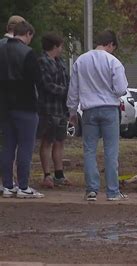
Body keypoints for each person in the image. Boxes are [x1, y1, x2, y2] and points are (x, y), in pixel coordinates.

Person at [67, 30, 128, 201]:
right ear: (111, 44)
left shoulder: (81, 61)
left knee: (89, 149)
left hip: (89, 110)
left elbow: (73, 90)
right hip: (109, 108)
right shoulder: (113, 61)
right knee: (111, 150)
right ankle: (113, 191)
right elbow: (120, 89)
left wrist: (72, 111)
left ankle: (92, 189)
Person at [0, 21, 44, 198]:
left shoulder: (1, 49)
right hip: (25, 105)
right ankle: (24, 186)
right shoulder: (27, 52)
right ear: (27, 33)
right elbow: (37, 80)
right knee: (25, 146)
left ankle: (7, 185)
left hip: (5, 105)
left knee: (8, 145)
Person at [37, 32, 71, 188]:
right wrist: (66, 91)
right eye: (61, 46)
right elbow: (46, 85)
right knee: (47, 141)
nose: (62, 49)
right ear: (55, 46)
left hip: (61, 108)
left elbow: (68, 81)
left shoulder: (61, 62)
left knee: (59, 141)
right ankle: (46, 175)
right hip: (48, 108)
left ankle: (59, 174)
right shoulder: (42, 62)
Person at [0, 15, 25, 193]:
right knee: (13, 143)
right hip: (15, 101)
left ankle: (7, 181)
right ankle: (12, 181)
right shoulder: (18, 49)